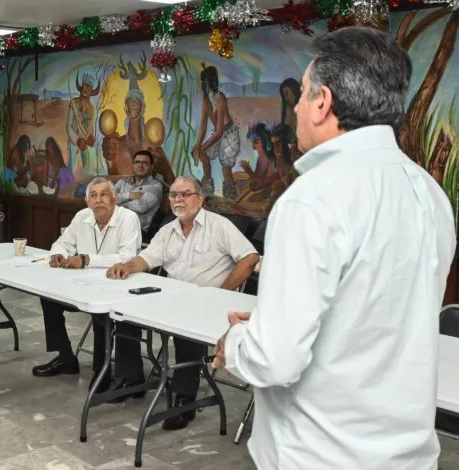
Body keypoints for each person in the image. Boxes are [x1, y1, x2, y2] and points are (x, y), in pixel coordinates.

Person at [212, 27, 456, 470]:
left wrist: (237, 342)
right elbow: (376, 317)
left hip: (322, 453)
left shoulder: (312, 198)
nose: (299, 108)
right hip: (408, 455)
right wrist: (276, 321)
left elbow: (275, 361)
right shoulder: (429, 193)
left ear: (323, 102)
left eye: (303, 95)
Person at [107, 176, 259, 430]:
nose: (179, 199)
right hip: (172, 297)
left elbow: (249, 258)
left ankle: (183, 398)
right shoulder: (168, 230)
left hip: (206, 302)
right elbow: (146, 258)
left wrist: (221, 293)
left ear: (200, 199)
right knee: (125, 314)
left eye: (185, 194)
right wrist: (127, 266)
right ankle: (131, 378)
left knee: (185, 333)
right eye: (174, 195)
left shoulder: (219, 226)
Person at [32, 177, 142, 395]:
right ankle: (65, 359)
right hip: (83, 285)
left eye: (103, 195)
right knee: (48, 298)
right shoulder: (82, 217)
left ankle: (102, 371)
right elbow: (63, 243)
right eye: (93, 195)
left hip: (116, 286)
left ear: (114, 198)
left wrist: (87, 260)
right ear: (87, 200)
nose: (98, 200)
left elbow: (127, 256)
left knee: (101, 314)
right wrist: (58, 255)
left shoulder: (129, 218)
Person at [192, 65, 240, 200]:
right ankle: (207, 191)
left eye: (204, 82)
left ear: (211, 82)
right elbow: (203, 126)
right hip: (218, 132)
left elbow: (219, 132)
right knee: (205, 155)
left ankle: (230, 197)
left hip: (229, 134)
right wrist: (197, 145)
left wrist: (202, 147)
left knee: (226, 168)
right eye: (202, 82)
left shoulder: (220, 99)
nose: (202, 85)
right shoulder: (206, 100)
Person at [114, 150, 163, 242]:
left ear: (151, 167)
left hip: (137, 231)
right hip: (115, 226)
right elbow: (108, 199)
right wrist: (130, 195)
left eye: (145, 163)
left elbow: (141, 207)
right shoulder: (123, 181)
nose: (140, 165)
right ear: (133, 165)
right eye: (137, 162)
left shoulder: (155, 186)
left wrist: (119, 203)